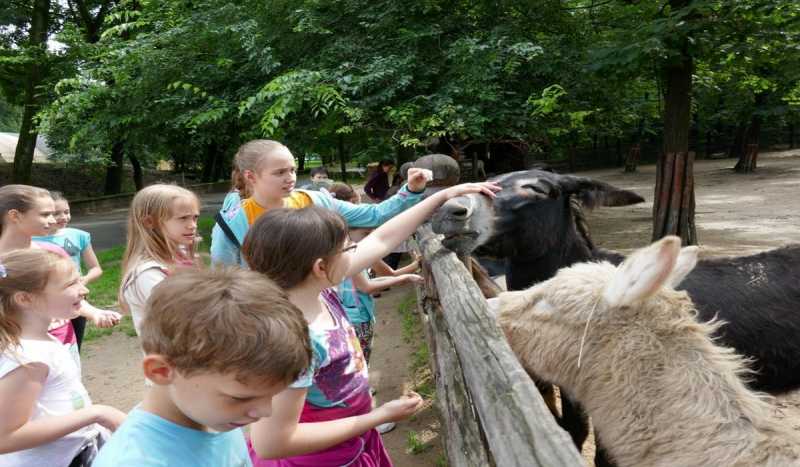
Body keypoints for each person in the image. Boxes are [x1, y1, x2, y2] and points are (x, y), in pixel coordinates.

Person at [243, 180, 500, 466]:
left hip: (351, 445)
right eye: (349, 249)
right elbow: (271, 442)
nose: (356, 253)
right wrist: (378, 417)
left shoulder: (319, 289)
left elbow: (381, 240)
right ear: (319, 267)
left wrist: (439, 197)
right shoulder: (294, 340)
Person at [93, 267, 311, 467]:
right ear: (161, 371)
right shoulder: (132, 461)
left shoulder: (212, 416)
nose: (266, 412)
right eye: (241, 398)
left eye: (272, 395)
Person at [210, 140, 430, 267]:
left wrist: (411, 190)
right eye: (280, 172)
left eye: (293, 170)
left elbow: (375, 215)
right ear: (250, 176)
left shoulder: (314, 200)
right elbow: (224, 281)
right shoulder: (231, 224)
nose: (290, 178)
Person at [0, 249, 126, 467]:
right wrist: (96, 414)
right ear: (25, 299)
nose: (84, 290)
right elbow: (5, 437)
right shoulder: (30, 357)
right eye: (70, 284)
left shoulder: (42, 341)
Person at [0, 185, 119, 359]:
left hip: (64, 340)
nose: (54, 220)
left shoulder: (52, 252)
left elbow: (73, 292)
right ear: (15, 216)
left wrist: (95, 313)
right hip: (17, 350)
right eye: (45, 214)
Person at [118, 184, 200, 336]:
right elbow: (179, 319)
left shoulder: (181, 256)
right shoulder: (147, 274)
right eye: (183, 218)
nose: (192, 225)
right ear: (149, 222)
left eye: (195, 217)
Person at [32, 191, 103, 350]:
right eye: (56, 213)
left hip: (76, 297)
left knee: (74, 344)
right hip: (48, 300)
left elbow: (96, 268)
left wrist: (81, 282)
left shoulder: (79, 236)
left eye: (67, 212)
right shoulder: (31, 241)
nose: (63, 217)